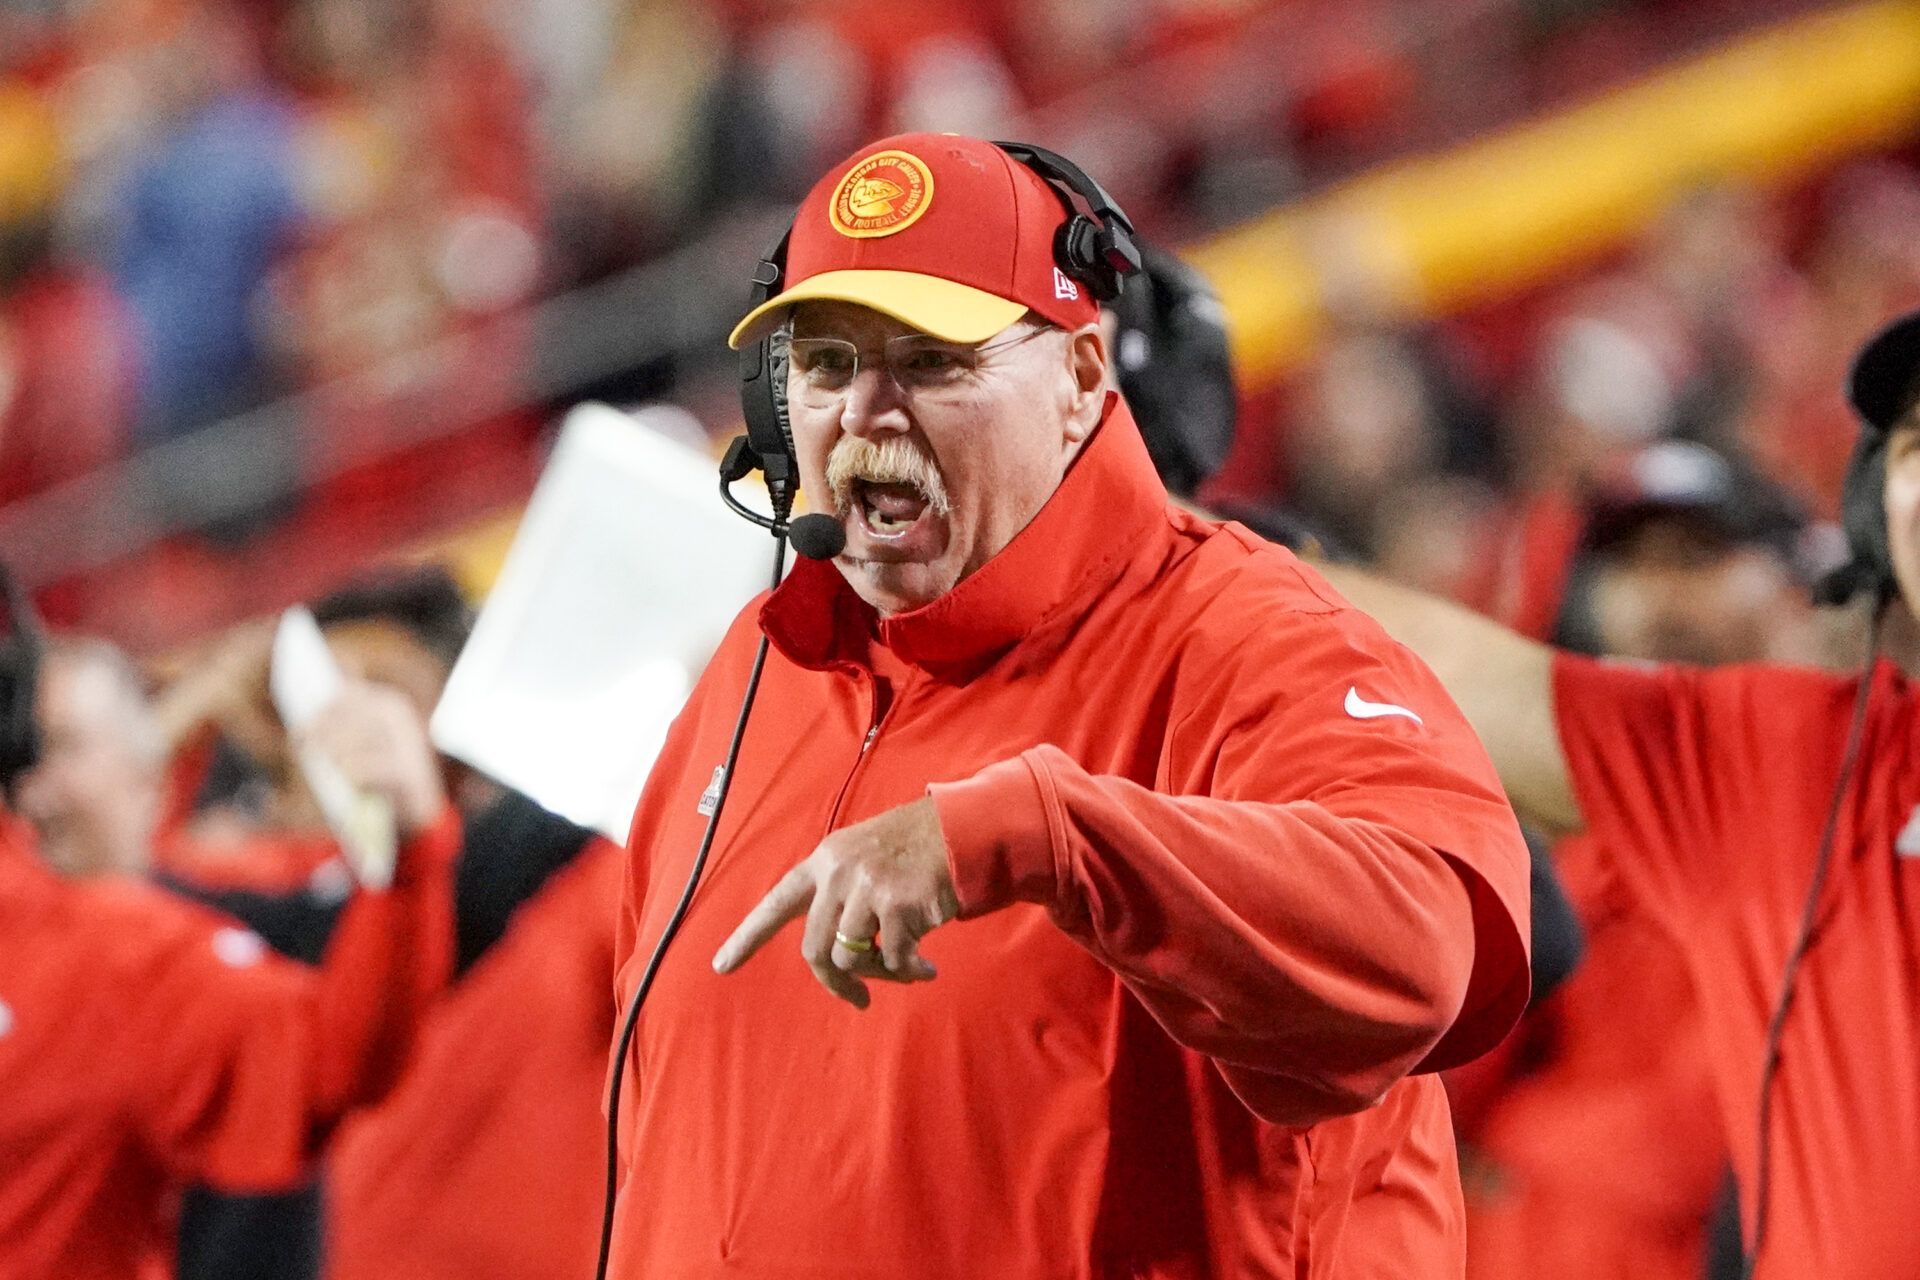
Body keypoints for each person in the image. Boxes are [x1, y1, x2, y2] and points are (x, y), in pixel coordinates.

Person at [606, 131, 1531, 1279]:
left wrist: (1046, 834)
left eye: (934, 361)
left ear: (1085, 382)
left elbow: (1426, 945)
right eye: (827, 364)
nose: (867, 412)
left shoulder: (1243, 636)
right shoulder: (760, 671)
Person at [1319, 311, 1920, 1280]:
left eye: (1697, 558)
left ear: (1814, 575)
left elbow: (1669, 1153)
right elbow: (1446, 674)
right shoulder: (1733, 769)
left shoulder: (1780, 773)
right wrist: (1179, 546)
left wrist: (1541, 1154)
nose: (1653, 598)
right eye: (1627, 566)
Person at [0, 627, 458, 1280]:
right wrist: (412, 848)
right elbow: (333, 1058)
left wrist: (409, 850)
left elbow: (331, 1051)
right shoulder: (113, 953)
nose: (151, 760)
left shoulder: (130, 945)